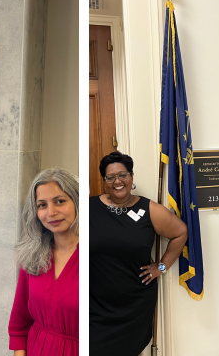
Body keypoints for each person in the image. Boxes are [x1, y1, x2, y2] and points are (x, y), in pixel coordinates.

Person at [90, 151, 187, 356]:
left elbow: (180, 233)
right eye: (111, 177)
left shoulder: (149, 209)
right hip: (94, 306)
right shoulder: (89, 208)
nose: (118, 181)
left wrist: (161, 267)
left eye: (123, 175)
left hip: (134, 305)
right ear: (105, 181)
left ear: (131, 177)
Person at [8, 168, 79, 356]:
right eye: (42, 205)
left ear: (77, 202)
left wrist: (161, 267)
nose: (51, 212)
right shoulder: (33, 255)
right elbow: (19, 322)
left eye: (60, 201)